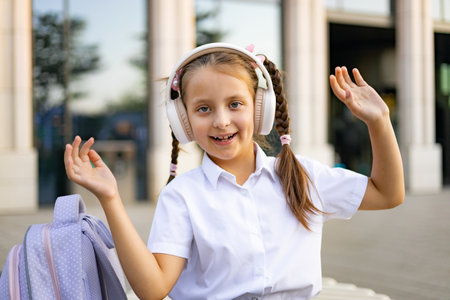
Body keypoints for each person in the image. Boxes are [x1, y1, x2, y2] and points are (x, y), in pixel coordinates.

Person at [64, 43, 404, 300]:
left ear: (260, 109)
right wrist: (110, 198)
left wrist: (379, 122)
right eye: (203, 109)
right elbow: (152, 289)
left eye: (235, 104)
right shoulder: (182, 196)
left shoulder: (302, 176)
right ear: (182, 121)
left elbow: (388, 193)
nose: (221, 120)